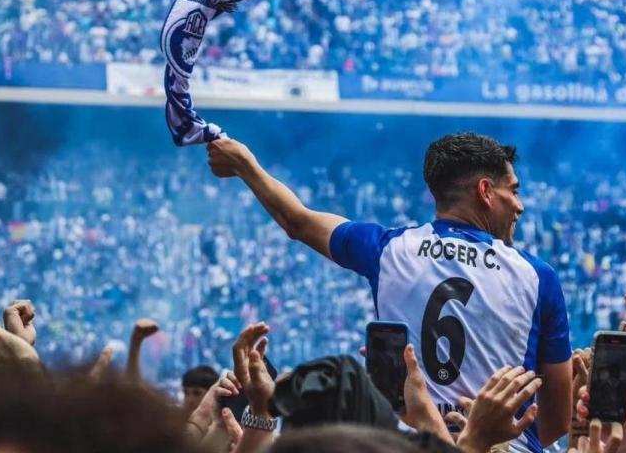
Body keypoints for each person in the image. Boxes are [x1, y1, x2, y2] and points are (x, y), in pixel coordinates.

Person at [207, 132, 572, 452]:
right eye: (514, 191)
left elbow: (298, 221)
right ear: (485, 191)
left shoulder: (388, 250)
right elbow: (557, 419)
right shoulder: (537, 276)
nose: (520, 206)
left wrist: (245, 165)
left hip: (403, 445)